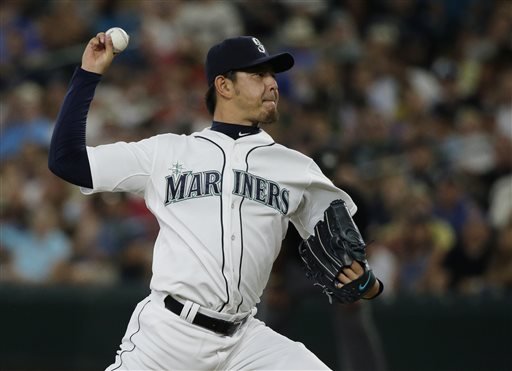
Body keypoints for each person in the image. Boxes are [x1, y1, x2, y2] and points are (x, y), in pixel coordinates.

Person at [48, 32, 382, 370]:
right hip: (168, 337)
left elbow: (348, 254)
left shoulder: (297, 169)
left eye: (272, 75)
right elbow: (67, 161)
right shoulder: (166, 152)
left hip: (245, 342)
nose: (272, 84)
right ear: (224, 86)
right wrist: (88, 73)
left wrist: (367, 283)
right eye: (258, 75)